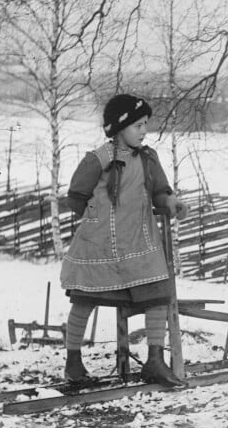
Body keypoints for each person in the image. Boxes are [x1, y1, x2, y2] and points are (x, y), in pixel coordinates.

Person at [60, 94, 188, 387]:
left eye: (145, 124)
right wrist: (97, 216)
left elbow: (160, 191)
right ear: (119, 128)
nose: (143, 131)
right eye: (137, 125)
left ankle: (155, 360)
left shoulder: (148, 158)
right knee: (84, 299)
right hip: (99, 244)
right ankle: (73, 363)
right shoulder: (98, 159)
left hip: (140, 243)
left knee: (158, 293)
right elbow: (76, 197)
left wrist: (170, 202)